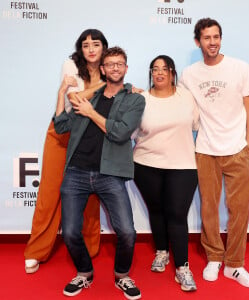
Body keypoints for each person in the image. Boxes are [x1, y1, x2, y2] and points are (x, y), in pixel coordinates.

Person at [53, 46, 145, 299]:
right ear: (103, 69)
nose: (115, 68)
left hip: (110, 173)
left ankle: (122, 276)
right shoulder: (88, 97)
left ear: (126, 68)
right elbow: (61, 125)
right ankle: (84, 273)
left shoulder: (135, 99)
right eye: (110, 64)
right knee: (70, 232)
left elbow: (120, 132)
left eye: (120, 64)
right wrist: (62, 93)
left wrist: (91, 114)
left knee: (126, 231)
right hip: (76, 172)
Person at [179, 18, 249, 288]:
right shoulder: (190, 74)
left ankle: (235, 265)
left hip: (238, 150)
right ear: (197, 41)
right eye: (206, 38)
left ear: (220, 39)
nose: (212, 42)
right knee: (209, 209)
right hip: (205, 150)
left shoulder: (240, 68)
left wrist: (248, 144)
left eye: (216, 37)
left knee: (239, 211)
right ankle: (214, 256)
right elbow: (176, 102)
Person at [24, 29, 108, 274]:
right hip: (63, 132)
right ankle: (36, 251)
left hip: (91, 133)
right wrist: (105, 85)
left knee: (91, 193)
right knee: (50, 193)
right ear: (80, 49)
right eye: (85, 45)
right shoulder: (70, 65)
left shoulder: (109, 67)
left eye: (96, 44)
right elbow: (75, 100)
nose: (91, 49)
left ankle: (89, 247)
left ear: (104, 47)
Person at [133, 55, 199, 292]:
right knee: (157, 210)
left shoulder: (187, 96)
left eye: (165, 69)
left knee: (177, 214)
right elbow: (129, 132)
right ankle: (162, 252)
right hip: (145, 164)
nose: (159, 73)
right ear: (151, 73)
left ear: (173, 73)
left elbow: (197, 125)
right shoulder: (141, 99)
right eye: (155, 69)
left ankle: (182, 268)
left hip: (182, 165)